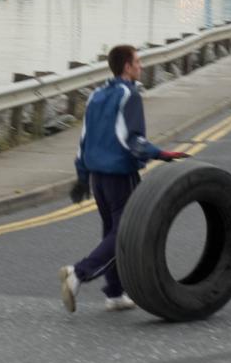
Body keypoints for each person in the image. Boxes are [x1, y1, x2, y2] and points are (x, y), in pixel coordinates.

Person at [59, 43, 188, 313]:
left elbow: (84, 140)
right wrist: (161, 154)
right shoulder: (129, 95)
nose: (141, 66)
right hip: (120, 175)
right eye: (137, 62)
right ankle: (79, 274)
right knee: (124, 235)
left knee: (112, 231)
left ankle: (115, 294)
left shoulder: (96, 95)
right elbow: (132, 140)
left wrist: (82, 176)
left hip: (96, 177)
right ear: (127, 67)